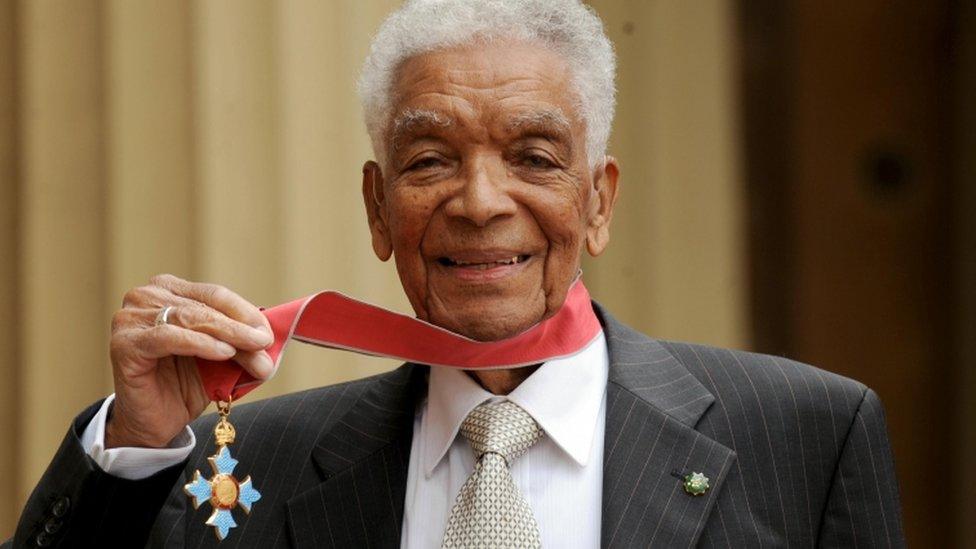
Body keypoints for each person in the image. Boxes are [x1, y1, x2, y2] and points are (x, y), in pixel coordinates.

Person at [6, 1, 905, 547]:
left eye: (535, 157)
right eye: (431, 159)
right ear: (377, 208)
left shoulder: (804, 441)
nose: (480, 202)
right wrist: (134, 444)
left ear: (599, 202)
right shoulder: (248, 470)